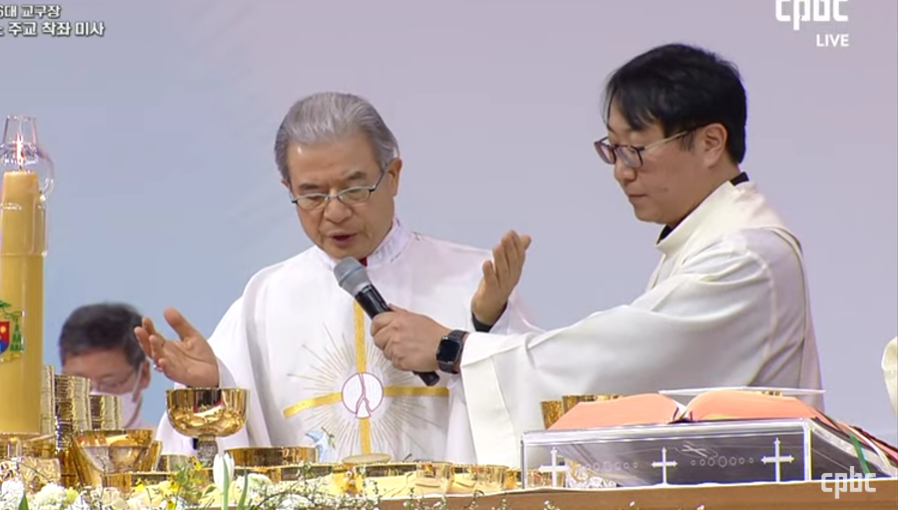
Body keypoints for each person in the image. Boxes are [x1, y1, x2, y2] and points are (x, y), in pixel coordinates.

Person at [368, 43, 824, 467]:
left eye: (636, 150)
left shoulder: (748, 253)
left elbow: (619, 362)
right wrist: (490, 321)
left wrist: (454, 348)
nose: (622, 172)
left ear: (710, 142)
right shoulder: (705, 238)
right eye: (613, 149)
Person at [137, 91, 534, 463]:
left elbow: (535, 410)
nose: (336, 212)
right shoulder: (263, 301)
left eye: (354, 189)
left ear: (393, 176)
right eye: (312, 195)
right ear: (288, 188)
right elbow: (214, 466)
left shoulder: (472, 281)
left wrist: (478, 332)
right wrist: (211, 391)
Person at [59, 302, 154, 429]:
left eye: (110, 383)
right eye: (78, 384)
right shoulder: (37, 440)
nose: (92, 399)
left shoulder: (167, 441)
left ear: (144, 375)